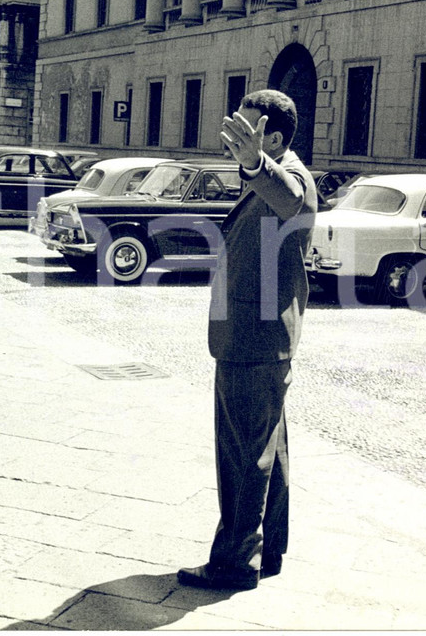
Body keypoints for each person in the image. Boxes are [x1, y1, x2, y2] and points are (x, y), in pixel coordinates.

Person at [178, 90, 317, 591]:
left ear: (274, 139)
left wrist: (256, 163)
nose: (236, 134)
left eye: (250, 130)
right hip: (258, 338)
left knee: (242, 458)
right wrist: (254, 166)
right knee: (268, 452)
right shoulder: (269, 173)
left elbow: (290, 196)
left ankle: (235, 562)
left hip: (253, 341)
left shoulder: (292, 176)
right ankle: (268, 551)